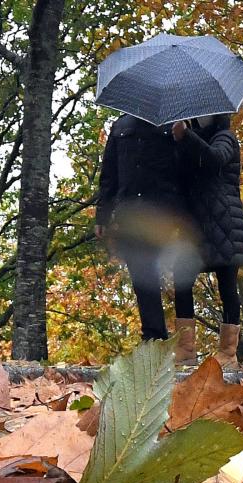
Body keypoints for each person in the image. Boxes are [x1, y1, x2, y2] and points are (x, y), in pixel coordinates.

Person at [95, 114, 191, 341]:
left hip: (161, 211)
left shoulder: (172, 125)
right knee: (141, 274)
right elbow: (109, 174)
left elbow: (183, 169)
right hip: (129, 211)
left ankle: (172, 340)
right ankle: (154, 336)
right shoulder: (120, 126)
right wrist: (102, 216)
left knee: (160, 270)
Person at [171, 114, 243, 367]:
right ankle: (185, 350)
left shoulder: (226, 138)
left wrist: (187, 137)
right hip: (196, 224)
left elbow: (214, 159)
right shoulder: (190, 142)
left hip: (224, 221)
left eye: (206, 115)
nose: (201, 118)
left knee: (227, 286)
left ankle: (227, 354)